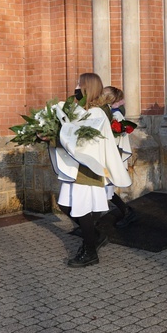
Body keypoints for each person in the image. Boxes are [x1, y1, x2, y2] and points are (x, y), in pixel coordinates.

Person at [50, 73, 131, 267]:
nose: (76, 87)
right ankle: (94, 235)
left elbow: (83, 142)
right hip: (75, 167)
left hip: (87, 169)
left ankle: (90, 251)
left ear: (88, 88)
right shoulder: (80, 111)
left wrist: (55, 137)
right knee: (66, 205)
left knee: (82, 209)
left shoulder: (97, 114)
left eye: (79, 84)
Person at [100, 86, 137, 228]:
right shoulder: (105, 111)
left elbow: (117, 137)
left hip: (110, 155)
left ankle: (94, 226)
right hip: (103, 154)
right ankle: (126, 211)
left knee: (105, 187)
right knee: (103, 187)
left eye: (104, 94)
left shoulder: (116, 115)